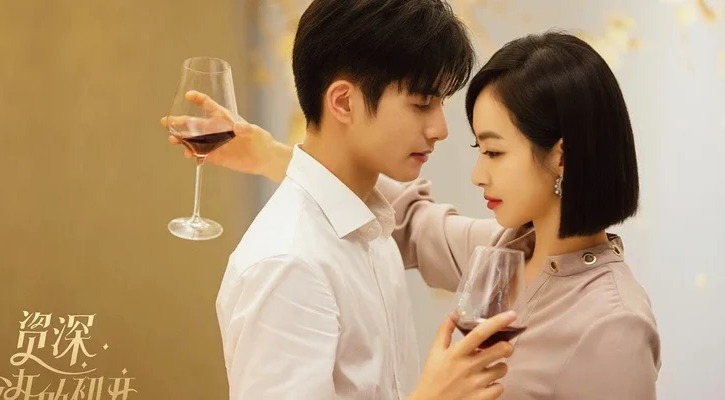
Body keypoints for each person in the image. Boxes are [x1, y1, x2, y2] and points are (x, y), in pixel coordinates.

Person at [167, 31, 662, 399]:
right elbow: (406, 220)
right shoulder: (504, 253)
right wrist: (272, 156)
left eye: (494, 152)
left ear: (561, 157)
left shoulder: (613, 325)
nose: (477, 175)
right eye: (480, 150)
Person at [163, 1, 519, 399]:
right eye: (422, 104)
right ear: (344, 102)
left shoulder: (373, 231)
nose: (440, 129)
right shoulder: (288, 263)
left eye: (441, 104)